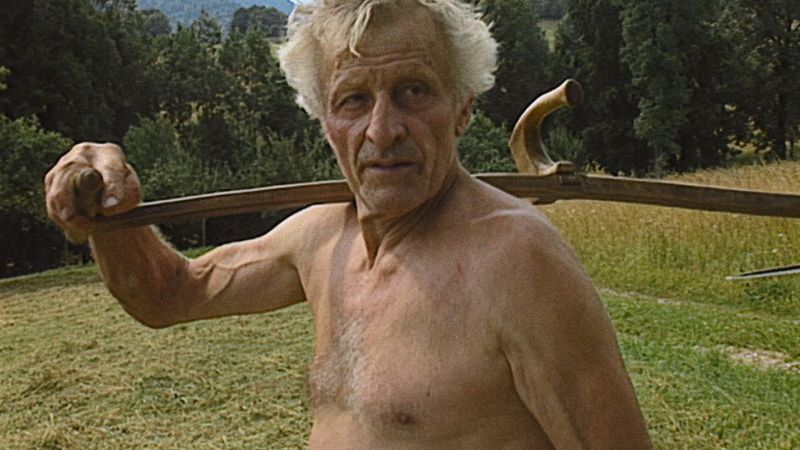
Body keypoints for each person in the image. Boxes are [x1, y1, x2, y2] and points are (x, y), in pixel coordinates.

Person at [44, 0, 652, 447]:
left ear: (463, 108)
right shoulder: (319, 239)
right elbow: (168, 293)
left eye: (414, 91)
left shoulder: (517, 262)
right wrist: (110, 213)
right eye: (354, 99)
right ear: (323, 117)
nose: (382, 131)